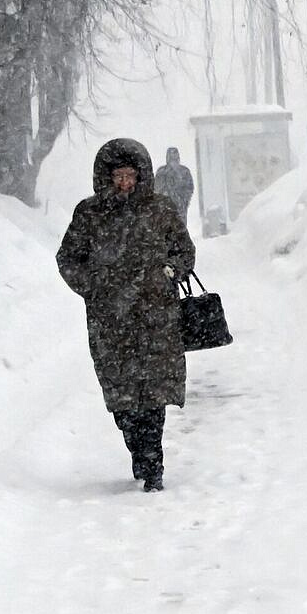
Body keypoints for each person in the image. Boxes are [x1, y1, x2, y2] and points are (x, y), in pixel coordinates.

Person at [56, 138, 196, 492]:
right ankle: (137, 447)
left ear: (142, 175)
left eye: (130, 175)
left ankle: (153, 464)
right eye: (117, 176)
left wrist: (170, 270)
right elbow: (68, 258)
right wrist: (93, 287)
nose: (124, 183)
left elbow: (184, 250)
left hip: (156, 317)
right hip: (110, 321)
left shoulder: (161, 210)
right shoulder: (89, 214)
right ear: (106, 176)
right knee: (123, 400)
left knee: (153, 395)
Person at [154, 146, 195, 223]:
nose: (173, 162)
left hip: (180, 208)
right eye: (171, 159)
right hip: (165, 208)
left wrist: (184, 200)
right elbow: (156, 189)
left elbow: (190, 188)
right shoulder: (161, 172)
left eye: (175, 158)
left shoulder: (184, 171)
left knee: (180, 230)